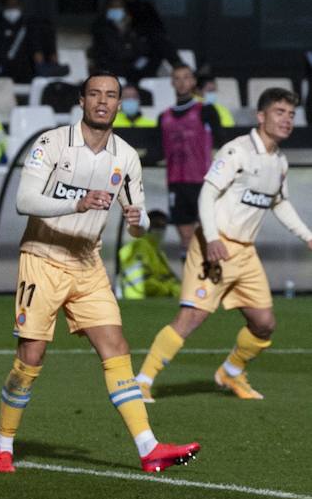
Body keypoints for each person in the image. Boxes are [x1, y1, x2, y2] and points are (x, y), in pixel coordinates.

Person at [0, 72, 200, 474]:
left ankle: (149, 448)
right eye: (95, 94)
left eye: (111, 95)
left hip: (88, 263)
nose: (103, 101)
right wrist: (78, 203)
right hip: (43, 258)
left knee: (116, 347)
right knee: (31, 355)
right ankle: (3, 445)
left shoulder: (126, 156)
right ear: (82, 101)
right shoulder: (52, 143)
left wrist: (138, 222)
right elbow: (24, 200)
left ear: (119, 104)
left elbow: (138, 223)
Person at [136, 88, 312, 402]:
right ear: (261, 116)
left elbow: (279, 203)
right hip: (214, 245)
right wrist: (212, 238)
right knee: (192, 317)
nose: (287, 120)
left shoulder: (279, 161)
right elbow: (207, 194)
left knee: (264, 323)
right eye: (279, 112)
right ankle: (142, 381)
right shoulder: (236, 152)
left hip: (245, 252)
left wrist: (307, 235)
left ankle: (231, 372)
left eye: (291, 114)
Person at [158, 64, 224, 252]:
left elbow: (221, 142)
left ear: (193, 81)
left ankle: (208, 270)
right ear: (172, 82)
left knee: (207, 236)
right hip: (176, 183)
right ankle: (188, 270)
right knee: (186, 240)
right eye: (177, 78)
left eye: (186, 77)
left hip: (202, 182)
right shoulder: (164, 117)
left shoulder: (206, 111)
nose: (182, 82)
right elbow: (158, 151)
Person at [0, 0, 60, 85]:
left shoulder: (31, 27)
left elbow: (42, 50)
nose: (12, 9)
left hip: (27, 76)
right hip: (1, 77)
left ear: (20, 6)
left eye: (15, 5)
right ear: (3, 6)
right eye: (9, 5)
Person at [89, 0, 170, 85]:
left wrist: (127, 29)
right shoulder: (101, 27)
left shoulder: (133, 26)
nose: (116, 9)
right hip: (112, 67)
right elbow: (118, 51)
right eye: (113, 6)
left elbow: (143, 48)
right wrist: (123, 32)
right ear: (107, 8)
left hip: (133, 68)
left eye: (119, 6)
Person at [119, 210, 181, 299]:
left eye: (163, 226)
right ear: (147, 226)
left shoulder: (158, 252)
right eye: (156, 225)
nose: (160, 229)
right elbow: (144, 282)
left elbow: (169, 278)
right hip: (138, 300)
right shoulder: (140, 246)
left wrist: (179, 290)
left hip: (153, 300)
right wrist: (170, 290)